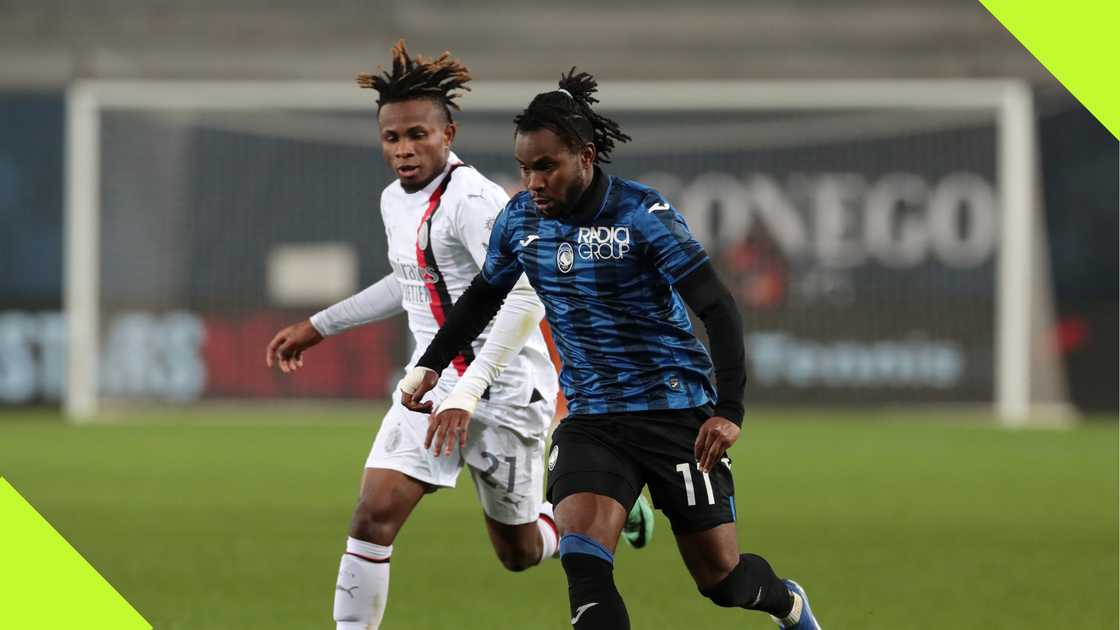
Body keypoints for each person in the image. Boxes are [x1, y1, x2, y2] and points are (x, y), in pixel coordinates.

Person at [401, 69, 822, 629]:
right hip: (593, 419)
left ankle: (789, 604)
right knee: (583, 559)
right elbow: (481, 299)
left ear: (586, 155)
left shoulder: (641, 215)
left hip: (677, 414)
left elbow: (718, 308)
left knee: (723, 579)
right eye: (526, 169)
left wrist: (729, 411)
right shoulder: (520, 221)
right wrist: (430, 364)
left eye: (546, 167)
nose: (533, 183)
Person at [264, 46, 654, 630]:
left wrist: (469, 391)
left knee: (518, 552)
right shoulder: (394, 200)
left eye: (417, 133)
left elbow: (526, 294)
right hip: (429, 388)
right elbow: (410, 283)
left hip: (502, 392)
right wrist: (320, 326)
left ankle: (605, 513)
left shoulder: (474, 203)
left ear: (448, 133)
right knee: (372, 516)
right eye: (391, 137)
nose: (403, 148)